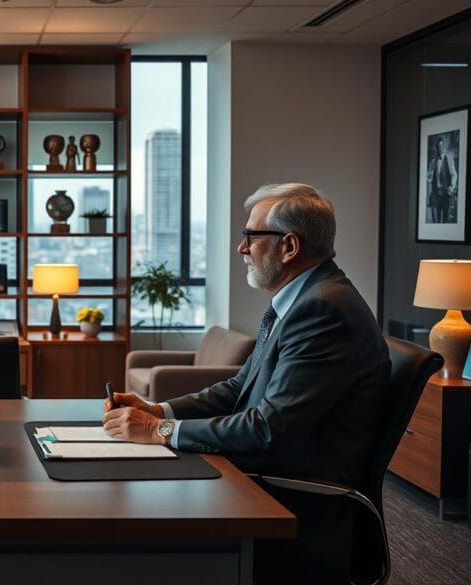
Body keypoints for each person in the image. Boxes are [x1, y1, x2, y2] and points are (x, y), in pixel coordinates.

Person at [103, 183, 389, 584]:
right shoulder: (302, 301)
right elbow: (239, 388)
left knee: (130, 518)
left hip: (288, 500)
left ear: (289, 246)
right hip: (260, 477)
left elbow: (268, 428)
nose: (242, 248)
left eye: (251, 236)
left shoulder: (322, 310)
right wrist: (161, 410)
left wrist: (159, 431)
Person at [427, 136, 456, 223]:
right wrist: (429, 197)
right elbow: (429, 179)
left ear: (444, 147)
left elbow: (454, 174)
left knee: (445, 221)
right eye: (439, 146)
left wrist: (452, 185)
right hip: (435, 195)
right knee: (435, 221)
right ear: (437, 148)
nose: (441, 148)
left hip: (445, 195)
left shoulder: (449, 159)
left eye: (442, 146)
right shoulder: (433, 162)